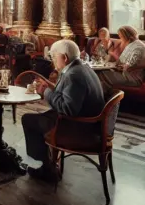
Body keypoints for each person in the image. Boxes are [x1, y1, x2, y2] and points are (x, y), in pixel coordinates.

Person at [22, 39, 105, 181]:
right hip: (89, 121)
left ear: (64, 57)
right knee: (39, 117)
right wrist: (50, 86)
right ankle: (48, 163)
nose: (53, 60)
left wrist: (47, 93)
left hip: (78, 127)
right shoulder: (82, 68)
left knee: (28, 120)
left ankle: (45, 168)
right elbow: (69, 95)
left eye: (54, 56)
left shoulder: (73, 75)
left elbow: (68, 109)